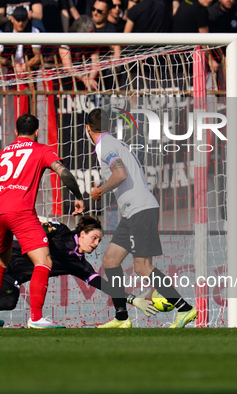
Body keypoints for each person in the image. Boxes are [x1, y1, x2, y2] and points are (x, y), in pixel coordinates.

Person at [0, 217, 158, 325]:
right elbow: (41, 225)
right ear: (82, 232)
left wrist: (131, 299)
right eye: (95, 237)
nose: (97, 243)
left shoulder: (80, 265)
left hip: (13, 275)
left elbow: (100, 283)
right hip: (3, 253)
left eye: (100, 240)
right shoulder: (63, 232)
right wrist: (42, 227)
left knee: (9, 302)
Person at [86, 108, 198, 329]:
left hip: (141, 210)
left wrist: (100, 190)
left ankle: (185, 308)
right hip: (132, 212)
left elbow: (120, 174)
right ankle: (121, 317)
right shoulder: (114, 142)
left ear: (87, 128)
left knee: (142, 267)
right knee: (110, 261)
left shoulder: (105, 146)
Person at [0, 113, 85, 329]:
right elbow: (63, 173)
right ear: (37, 132)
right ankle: (36, 318)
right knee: (44, 262)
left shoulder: (2, 154)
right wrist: (78, 197)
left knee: (0, 261)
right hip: (20, 211)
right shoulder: (41, 149)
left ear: (15, 132)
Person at [0, 6, 42, 75]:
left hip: (28, 68)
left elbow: (38, 57)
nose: (20, 23)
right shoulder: (3, 31)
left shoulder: (34, 30)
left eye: (23, 20)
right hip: (8, 67)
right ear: (12, 19)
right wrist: (15, 65)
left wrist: (26, 65)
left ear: (27, 19)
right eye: (18, 20)